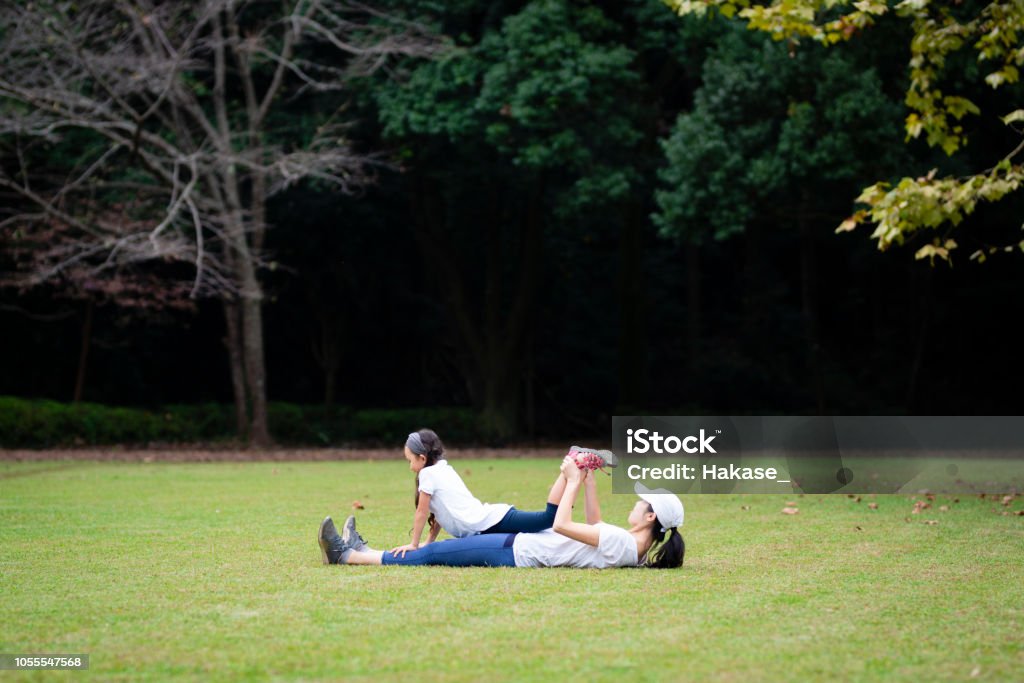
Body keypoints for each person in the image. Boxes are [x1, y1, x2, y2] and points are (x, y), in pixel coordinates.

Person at [317, 455, 684, 569]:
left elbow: (563, 523)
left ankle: (347, 555)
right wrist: (587, 480)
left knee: (434, 554)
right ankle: (360, 550)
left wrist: (572, 479)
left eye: (643, 503)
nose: (636, 504)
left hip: (515, 552)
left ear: (650, 517)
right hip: (518, 544)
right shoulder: (626, 547)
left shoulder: (621, 541)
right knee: (437, 550)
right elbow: (593, 525)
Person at [389, 429, 615, 557]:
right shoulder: (441, 469)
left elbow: (421, 512)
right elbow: (439, 513)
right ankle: (574, 462)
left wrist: (414, 544)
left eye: (409, 460)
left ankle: (573, 460)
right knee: (547, 521)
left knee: (549, 519)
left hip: (489, 521)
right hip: (486, 521)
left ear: (422, 458)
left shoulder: (429, 475)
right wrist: (429, 541)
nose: (409, 466)